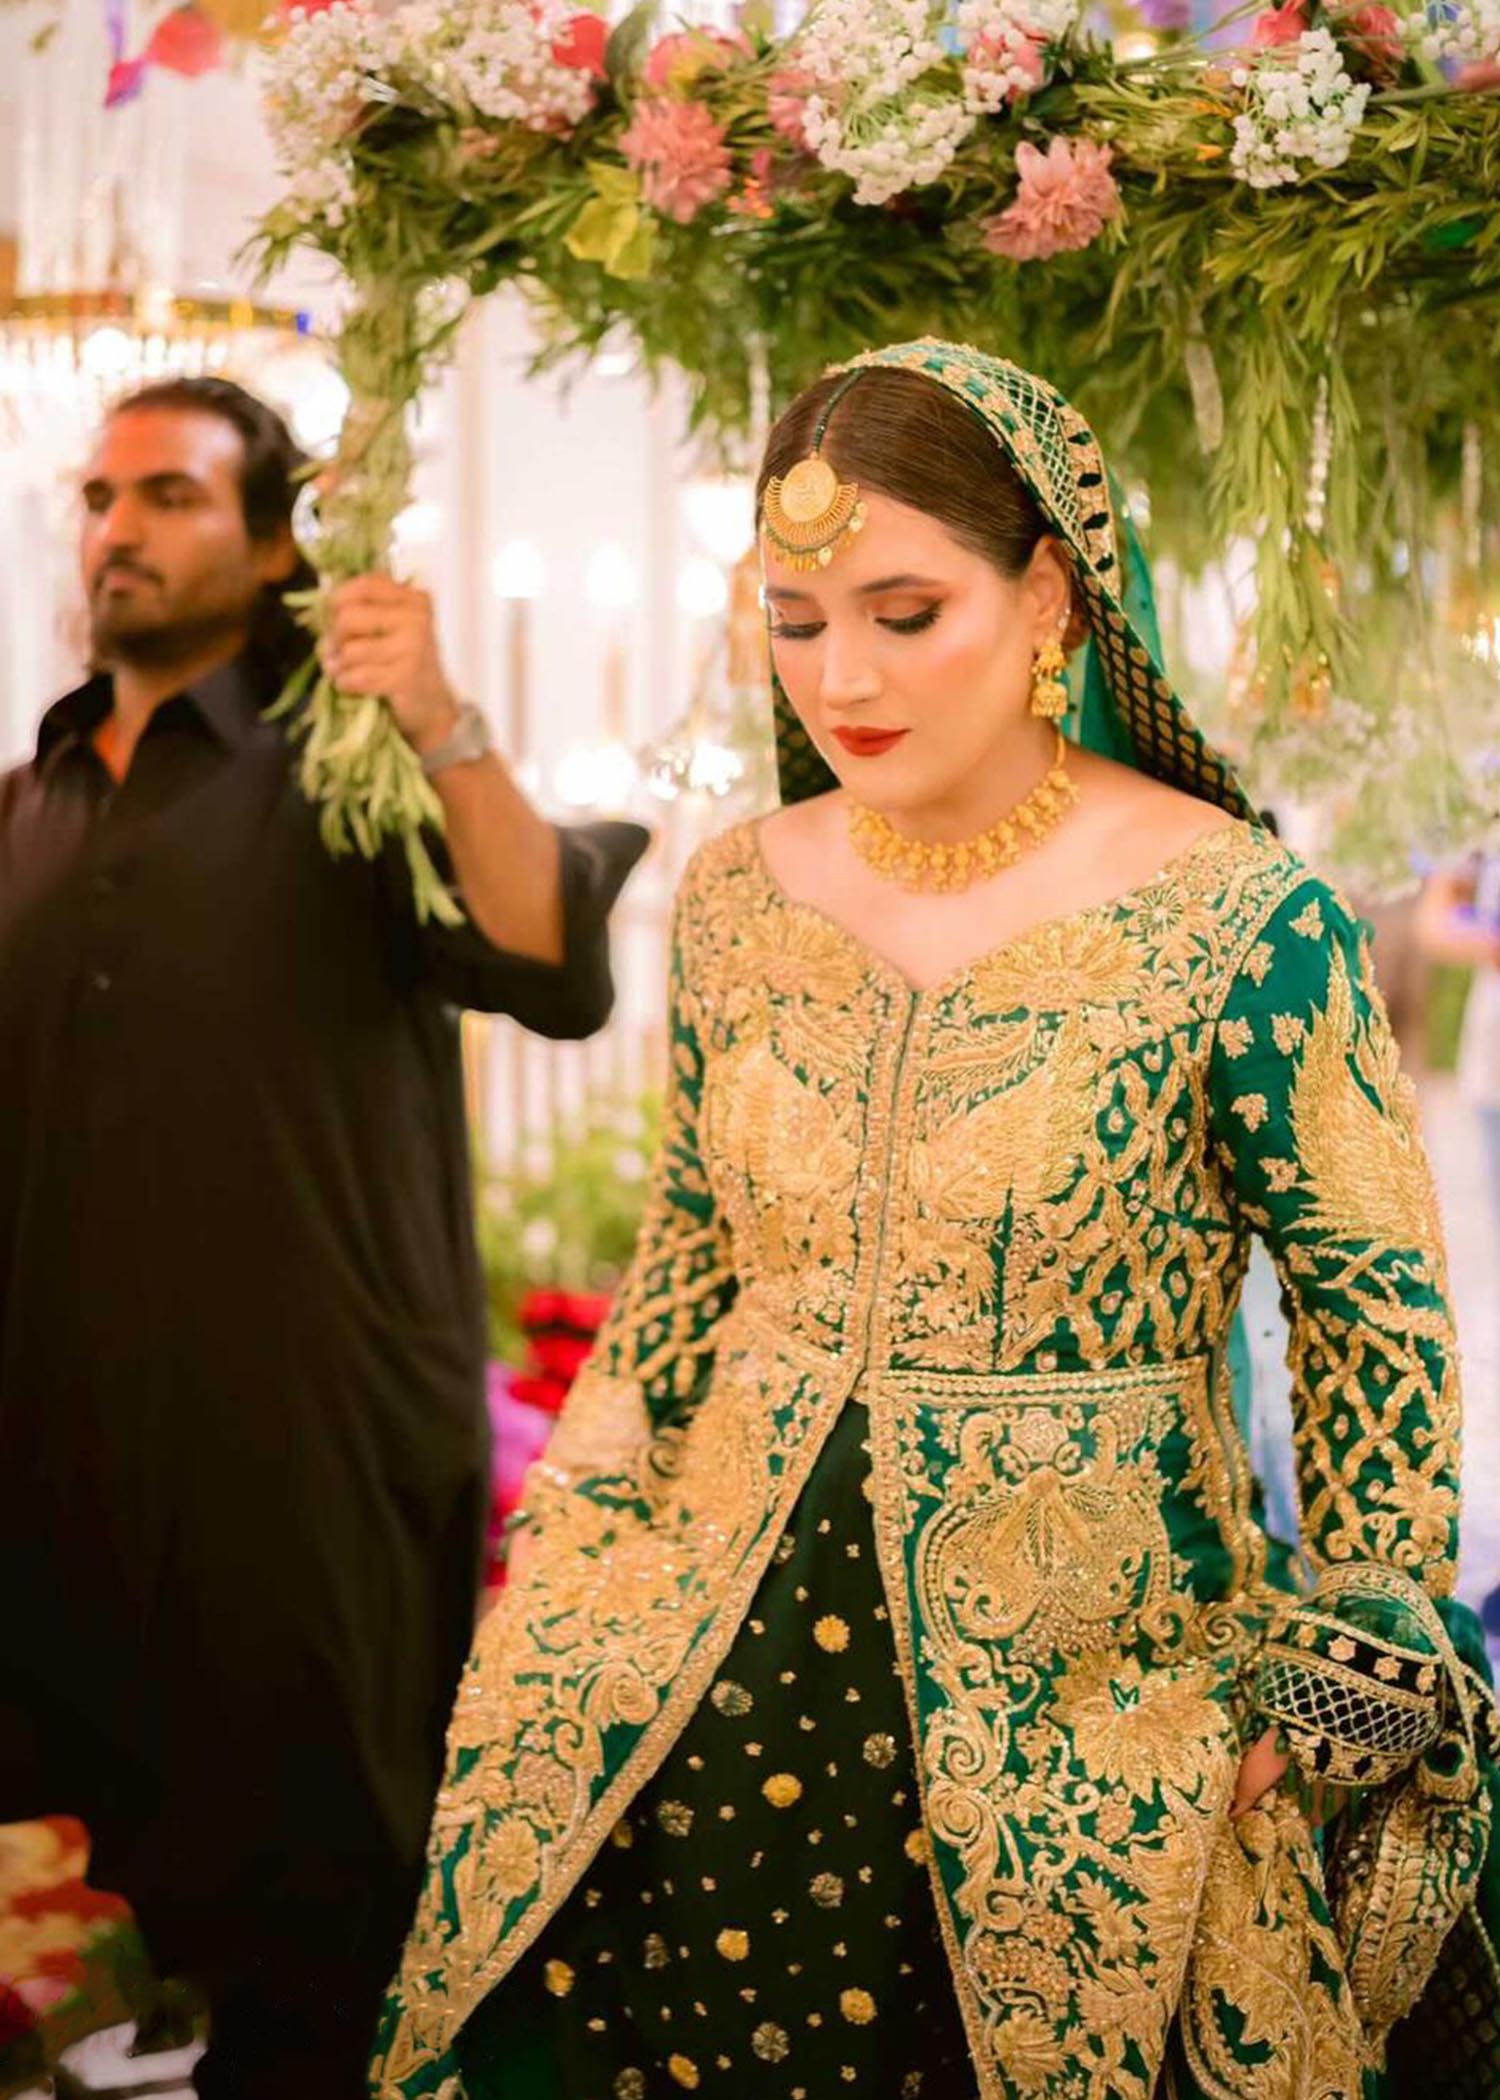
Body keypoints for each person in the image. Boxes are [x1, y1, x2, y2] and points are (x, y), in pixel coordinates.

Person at [371, 342, 1498, 2100]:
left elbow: (1373, 1307)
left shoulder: (1238, 915)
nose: (845, 677)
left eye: (906, 612)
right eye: (797, 619)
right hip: (707, 1667)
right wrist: (571, 1564)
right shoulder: (740, 894)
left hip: (1095, 1701)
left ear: (1046, 593)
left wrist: (1347, 1661)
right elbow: (689, 1265)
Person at [0, 376, 647, 2099]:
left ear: (278, 541)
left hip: (307, 1462)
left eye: (168, 496)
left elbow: (553, 965)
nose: (117, 529)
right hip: (71, 1462)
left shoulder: (351, 771)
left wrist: (439, 719)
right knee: (123, 1885)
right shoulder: (33, 798)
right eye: (98, 497)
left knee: (322, 1935)